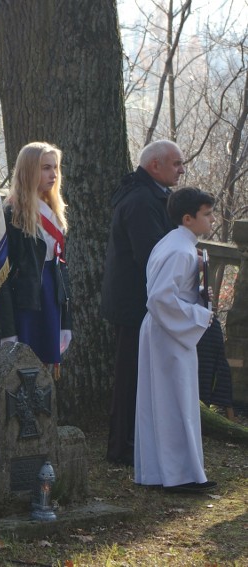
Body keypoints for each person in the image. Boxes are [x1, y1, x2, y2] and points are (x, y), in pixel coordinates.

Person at [101, 140, 184, 466]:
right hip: (135, 305)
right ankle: (122, 447)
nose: (180, 169)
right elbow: (152, 256)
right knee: (129, 377)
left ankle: (136, 442)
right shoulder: (140, 200)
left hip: (140, 303)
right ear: (155, 166)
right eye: (176, 163)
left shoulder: (151, 195)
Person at [135, 187, 217, 494]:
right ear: (188, 218)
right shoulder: (181, 251)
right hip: (168, 332)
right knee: (173, 400)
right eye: (206, 214)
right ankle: (178, 474)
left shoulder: (175, 243)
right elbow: (159, 298)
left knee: (168, 399)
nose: (211, 220)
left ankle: (169, 471)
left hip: (165, 330)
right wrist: (198, 315)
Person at [0, 142, 72, 370]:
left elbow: (60, 267)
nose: (54, 174)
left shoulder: (54, 211)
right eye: (46, 168)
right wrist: (7, 330)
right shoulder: (12, 214)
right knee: (20, 376)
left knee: (43, 375)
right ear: (29, 170)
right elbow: (1, 277)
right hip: (24, 303)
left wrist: (65, 320)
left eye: (55, 167)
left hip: (49, 298)